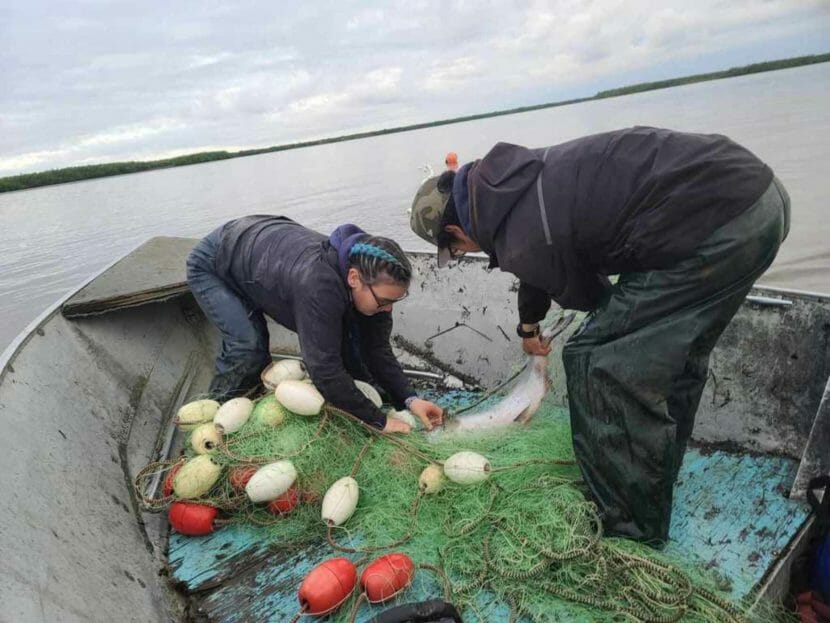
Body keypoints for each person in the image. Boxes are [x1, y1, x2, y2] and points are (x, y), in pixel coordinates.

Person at [409, 126, 790, 543]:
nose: (467, 253)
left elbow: (591, 295)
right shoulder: (510, 182)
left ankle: (627, 522)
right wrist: (529, 327)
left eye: (459, 251)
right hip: (759, 200)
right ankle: (654, 476)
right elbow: (536, 261)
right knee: (679, 357)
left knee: (596, 361)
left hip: (718, 226)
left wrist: (605, 332)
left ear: (455, 232)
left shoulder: (521, 233)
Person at [186, 216, 444, 434]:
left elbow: (376, 349)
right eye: (385, 301)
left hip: (259, 250)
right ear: (354, 278)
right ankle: (211, 424)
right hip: (216, 261)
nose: (388, 309)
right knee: (248, 347)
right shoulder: (318, 287)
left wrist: (410, 400)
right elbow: (324, 370)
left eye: (395, 301)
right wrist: (380, 421)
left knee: (353, 351)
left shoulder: (373, 278)